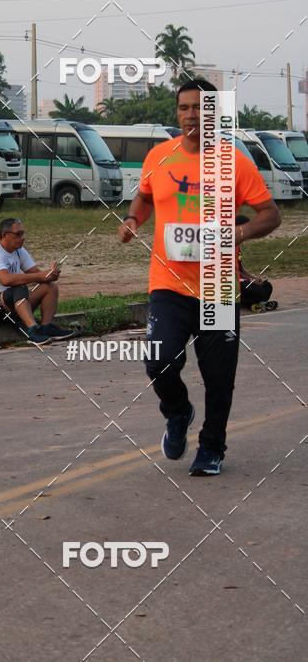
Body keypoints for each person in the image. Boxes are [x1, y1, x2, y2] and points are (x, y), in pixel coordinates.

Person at [117, 80, 281, 476]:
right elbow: (145, 195)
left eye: (200, 108)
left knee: (219, 378)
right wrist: (133, 218)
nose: (191, 115)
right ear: (178, 112)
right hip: (168, 283)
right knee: (158, 362)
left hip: (218, 286)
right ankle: (178, 412)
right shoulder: (159, 156)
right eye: (184, 108)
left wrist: (237, 233)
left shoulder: (235, 162)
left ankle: (212, 447)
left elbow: (270, 214)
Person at [0, 217, 75, 344]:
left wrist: (50, 275)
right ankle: (32, 331)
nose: (23, 237)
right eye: (18, 234)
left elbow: (37, 274)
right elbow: (6, 280)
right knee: (19, 287)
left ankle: (46, 327)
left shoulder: (19, 250)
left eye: (23, 233)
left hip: (13, 303)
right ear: (5, 235)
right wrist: (40, 276)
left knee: (50, 287)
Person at [235, 214, 275, 310]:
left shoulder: (237, 246)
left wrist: (254, 278)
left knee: (267, 286)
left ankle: (256, 304)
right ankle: (251, 304)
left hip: (240, 279)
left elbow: (240, 268)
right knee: (251, 289)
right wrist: (251, 280)